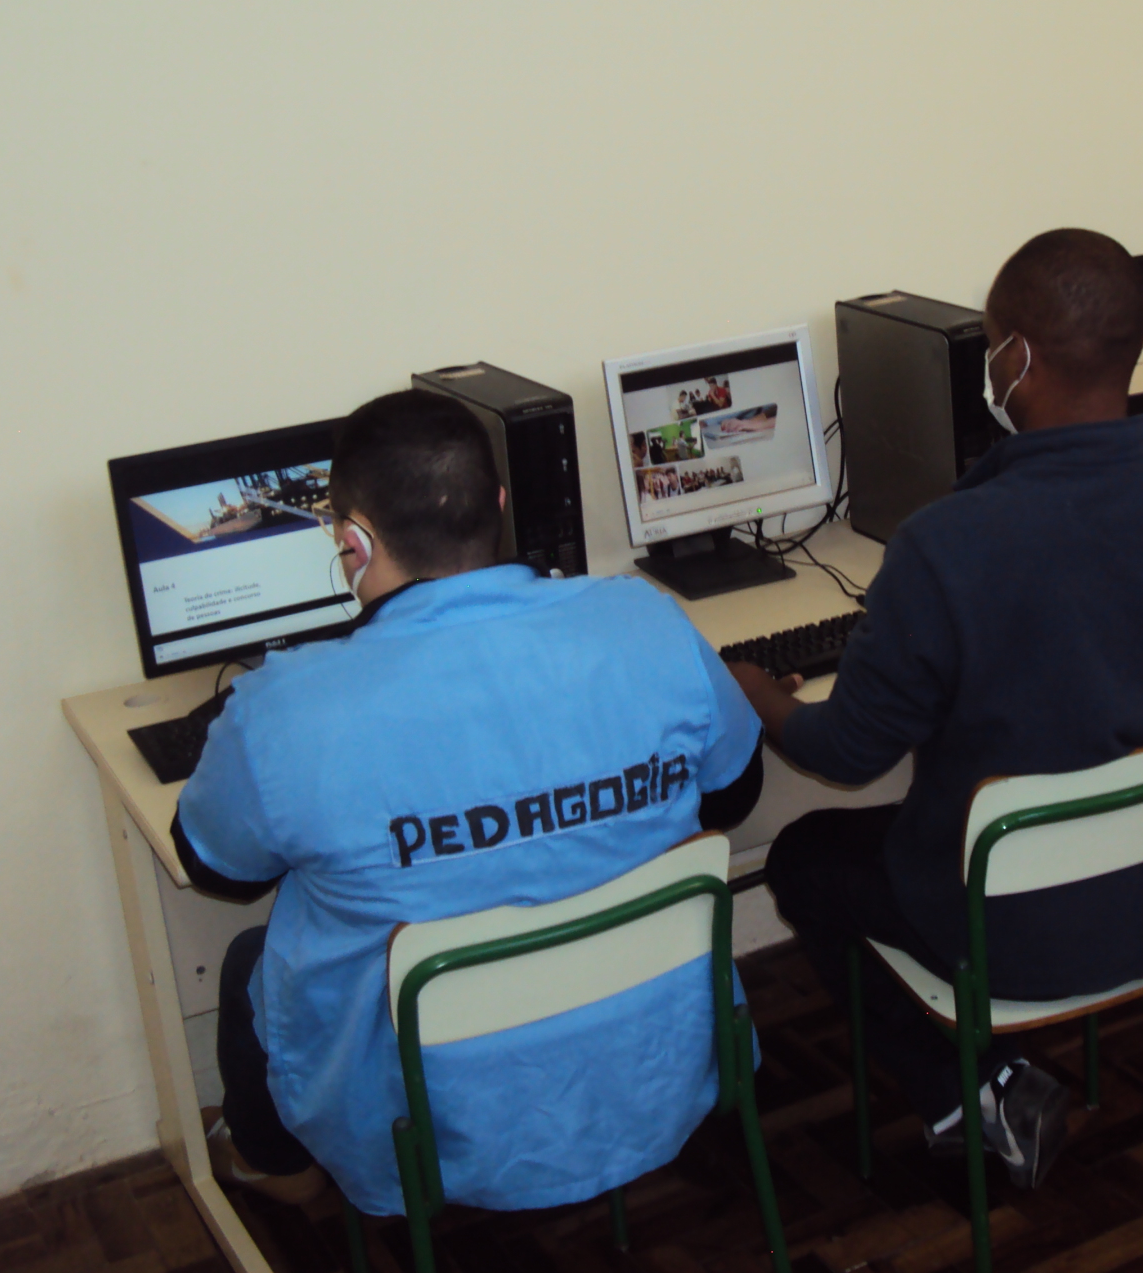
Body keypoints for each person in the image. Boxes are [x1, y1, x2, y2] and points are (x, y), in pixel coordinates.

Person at [730, 230, 1143, 1190]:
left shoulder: (946, 545)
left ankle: (965, 1091)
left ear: (1014, 357)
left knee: (805, 857)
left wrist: (761, 694)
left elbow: (847, 753)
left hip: (1012, 933)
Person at [173, 390, 761, 1214]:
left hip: (431, 1115)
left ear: (350, 541)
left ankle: (280, 1167)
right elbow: (735, 793)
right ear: (499, 504)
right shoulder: (644, 620)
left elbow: (216, 867)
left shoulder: (281, 713)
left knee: (250, 960)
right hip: (654, 1059)